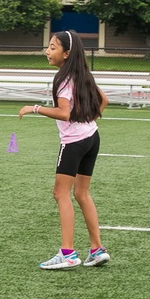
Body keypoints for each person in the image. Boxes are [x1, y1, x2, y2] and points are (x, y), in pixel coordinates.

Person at [19, 31, 110, 270]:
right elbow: (104, 101)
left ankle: (68, 253)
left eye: (52, 47)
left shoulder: (62, 78)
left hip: (74, 142)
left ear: (66, 53)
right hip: (92, 136)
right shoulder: (83, 74)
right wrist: (89, 119)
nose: (47, 52)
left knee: (60, 194)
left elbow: (63, 113)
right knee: (82, 194)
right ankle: (97, 249)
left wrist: (34, 108)